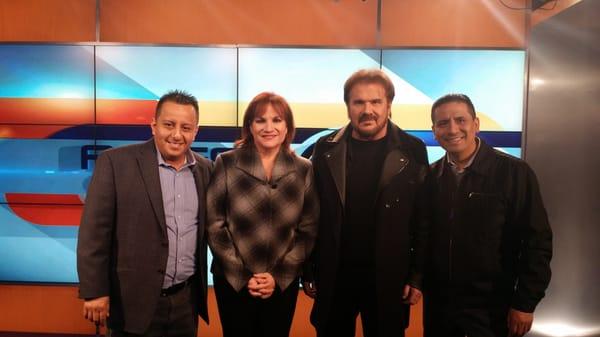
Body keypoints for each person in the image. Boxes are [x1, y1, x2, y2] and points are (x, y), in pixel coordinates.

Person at [302, 69, 429, 337]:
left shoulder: (413, 149)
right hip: (334, 275)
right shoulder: (324, 149)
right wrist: (308, 268)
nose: (367, 110)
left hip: (389, 278)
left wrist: (417, 275)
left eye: (376, 102)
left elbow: (423, 218)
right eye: (359, 102)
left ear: (389, 105)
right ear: (348, 106)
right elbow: (309, 215)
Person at [77, 90, 211, 336]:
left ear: (195, 131)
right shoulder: (116, 163)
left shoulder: (205, 169)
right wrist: (95, 290)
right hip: (132, 302)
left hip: (186, 302)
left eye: (186, 127)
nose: (177, 135)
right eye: (169, 125)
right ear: (153, 126)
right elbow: (94, 233)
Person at [424, 93, 553, 337]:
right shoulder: (430, 177)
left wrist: (524, 303)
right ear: (434, 131)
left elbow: (538, 242)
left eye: (460, 120)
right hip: (440, 307)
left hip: (492, 308)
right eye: (443, 123)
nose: (452, 129)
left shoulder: (514, 173)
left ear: (476, 124)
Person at [206, 92, 319, 337]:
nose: (269, 127)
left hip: (282, 282)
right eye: (260, 120)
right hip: (234, 282)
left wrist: (276, 277)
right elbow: (214, 225)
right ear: (249, 126)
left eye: (277, 120)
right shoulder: (226, 162)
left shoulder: (303, 169)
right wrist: (245, 276)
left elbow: (308, 230)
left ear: (287, 126)